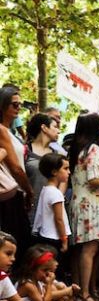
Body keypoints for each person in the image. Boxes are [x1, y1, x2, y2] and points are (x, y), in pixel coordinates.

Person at [68, 113, 99, 301]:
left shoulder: (77, 149)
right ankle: (86, 294)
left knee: (81, 250)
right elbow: (93, 179)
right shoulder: (93, 148)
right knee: (90, 249)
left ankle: (83, 291)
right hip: (91, 204)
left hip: (79, 202)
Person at [0, 85, 34, 260]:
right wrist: (29, 190)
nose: (18, 108)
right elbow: (15, 168)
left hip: (15, 193)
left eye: (19, 104)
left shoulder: (10, 131)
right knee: (17, 245)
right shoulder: (1, 130)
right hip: (9, 195)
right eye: (14, 104)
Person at [30, 154, 71, 258]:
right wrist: (64, 239)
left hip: (44, 234)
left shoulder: (46, 190)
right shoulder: (56, 193)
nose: (69, 172)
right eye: (65, 168)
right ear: (54, 172)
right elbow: (59, 219)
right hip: (54, 237)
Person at [24, 113, 62, 220]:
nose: (58, 131)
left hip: (51, 212)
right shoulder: (25, 151)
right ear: (44, 128)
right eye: (55, 127)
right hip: (29, 211)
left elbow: (63, 181)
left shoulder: (57, 154)